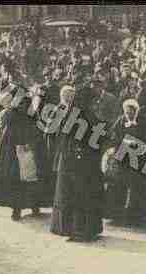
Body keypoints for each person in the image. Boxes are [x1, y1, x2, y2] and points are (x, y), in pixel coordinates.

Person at [50, 85, 105, 242]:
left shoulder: (80, 114)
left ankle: (81, 230)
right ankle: (81, 230)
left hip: (77, 161)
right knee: (78, 195)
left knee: (78, 195)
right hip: (77, 162)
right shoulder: (81, 115)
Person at [0, 89, 52, 221]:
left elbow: (36, 122)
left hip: (28, 143)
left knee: (30, 176)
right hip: (14, 145)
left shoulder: (28, 108)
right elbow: (2, 119)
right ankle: (19, 208)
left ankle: (32, 205)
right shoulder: (12, 110)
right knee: (19, 177)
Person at [107, 98, 146, 225]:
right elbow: (113, 138)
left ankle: (136, 216)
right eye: (127, 112)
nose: (129, 115)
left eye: (131, 112)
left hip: (139, 157)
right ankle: (118, 216)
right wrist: (123, 145)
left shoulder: (144, 122)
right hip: (123, 157)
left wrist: (139, 146)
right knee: (119, 186)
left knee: (137, 187)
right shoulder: (120, 121)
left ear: (136, 111)